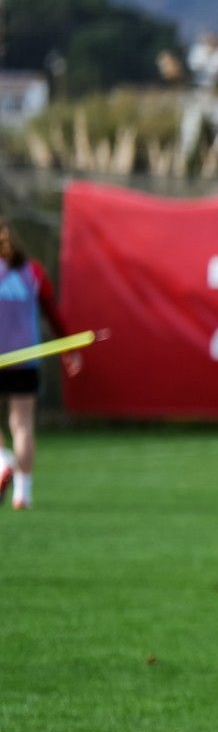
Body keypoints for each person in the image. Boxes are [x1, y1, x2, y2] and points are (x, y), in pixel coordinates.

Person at [0, 216, 59, 511]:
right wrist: (69, 349)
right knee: (22, 425)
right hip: (25, 359)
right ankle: (23, 492)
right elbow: (51, 309)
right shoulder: (32, 270)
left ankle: (1, 460)